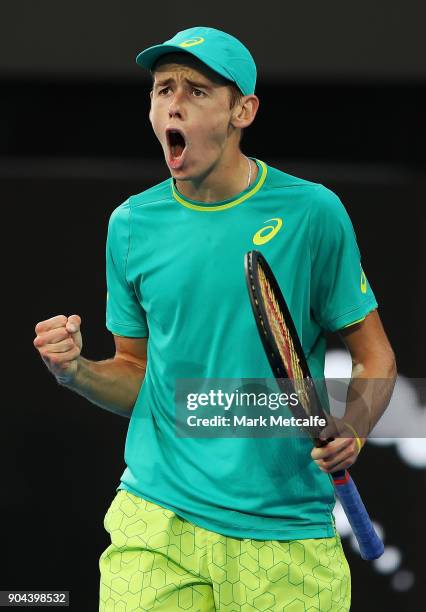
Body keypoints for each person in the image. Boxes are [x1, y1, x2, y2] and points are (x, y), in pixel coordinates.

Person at [33, 26, 397, 611]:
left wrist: (353, 426)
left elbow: (374, 354)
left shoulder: (312, 213)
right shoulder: (130, 225)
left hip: (285, 536)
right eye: (161, 89)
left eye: (197, 91)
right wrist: (76, 370)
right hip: (157, 519)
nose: (172, 102)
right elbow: (138, 375)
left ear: (242, 111)